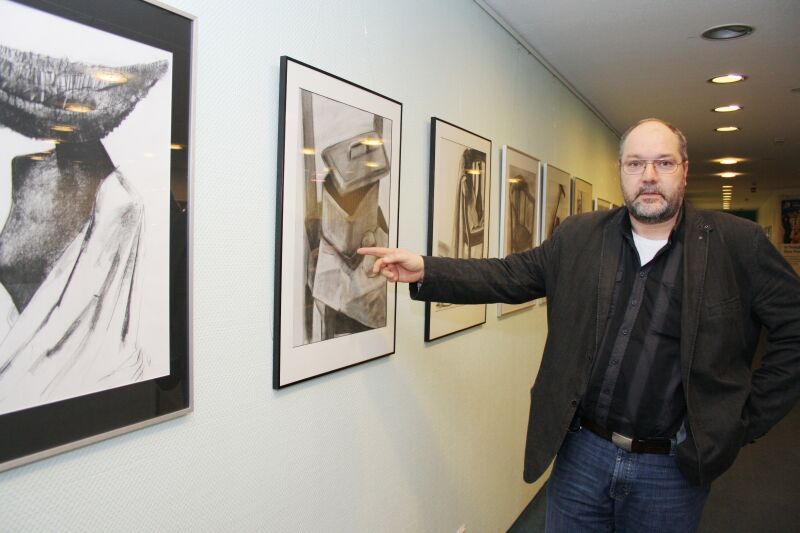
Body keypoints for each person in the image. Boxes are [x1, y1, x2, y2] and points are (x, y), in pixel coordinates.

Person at [358, 118, 800, 532]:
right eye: (636, 163)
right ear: (621, 172)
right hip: (584, 453)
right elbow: (509, 275)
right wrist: (425, 269)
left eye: (663, 163)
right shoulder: (580, 236)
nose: (649, 175)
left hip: (672, 466)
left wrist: (740, 419)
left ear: (684, 171)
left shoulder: (737, 245)